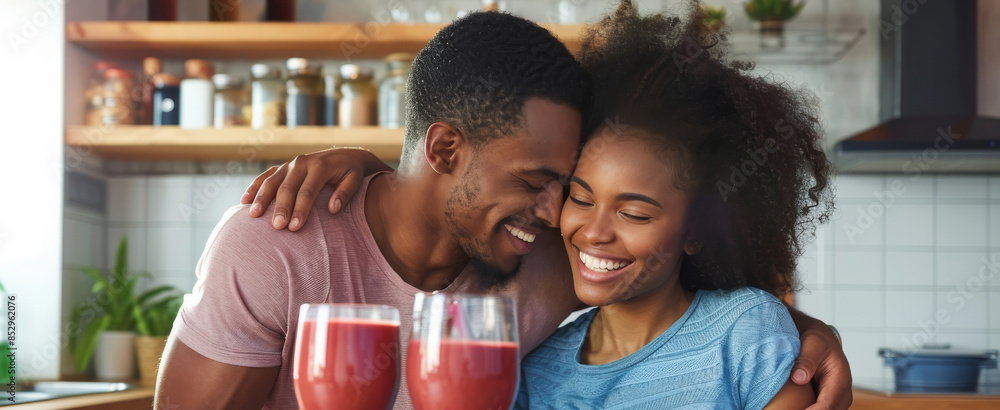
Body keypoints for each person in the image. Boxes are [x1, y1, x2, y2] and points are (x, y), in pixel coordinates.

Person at [211, 7, 851, 410]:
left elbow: (710, 316)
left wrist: (800, 331)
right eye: (574, 191)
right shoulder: (530, 359)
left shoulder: (550, 259)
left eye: (635, 210)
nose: (570, 221)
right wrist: (368, 162)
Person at [156, 12, 589, 409]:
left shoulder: (560, 258)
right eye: (533, 182)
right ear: (443, 150)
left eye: (564, 186)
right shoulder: (276, 246)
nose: (554, 214)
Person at [515, 1, 835, 407]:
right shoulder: (538, 371)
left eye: (634, 213)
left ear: (694, 232)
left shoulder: (745, 332)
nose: (594, 232)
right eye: (580, 198)